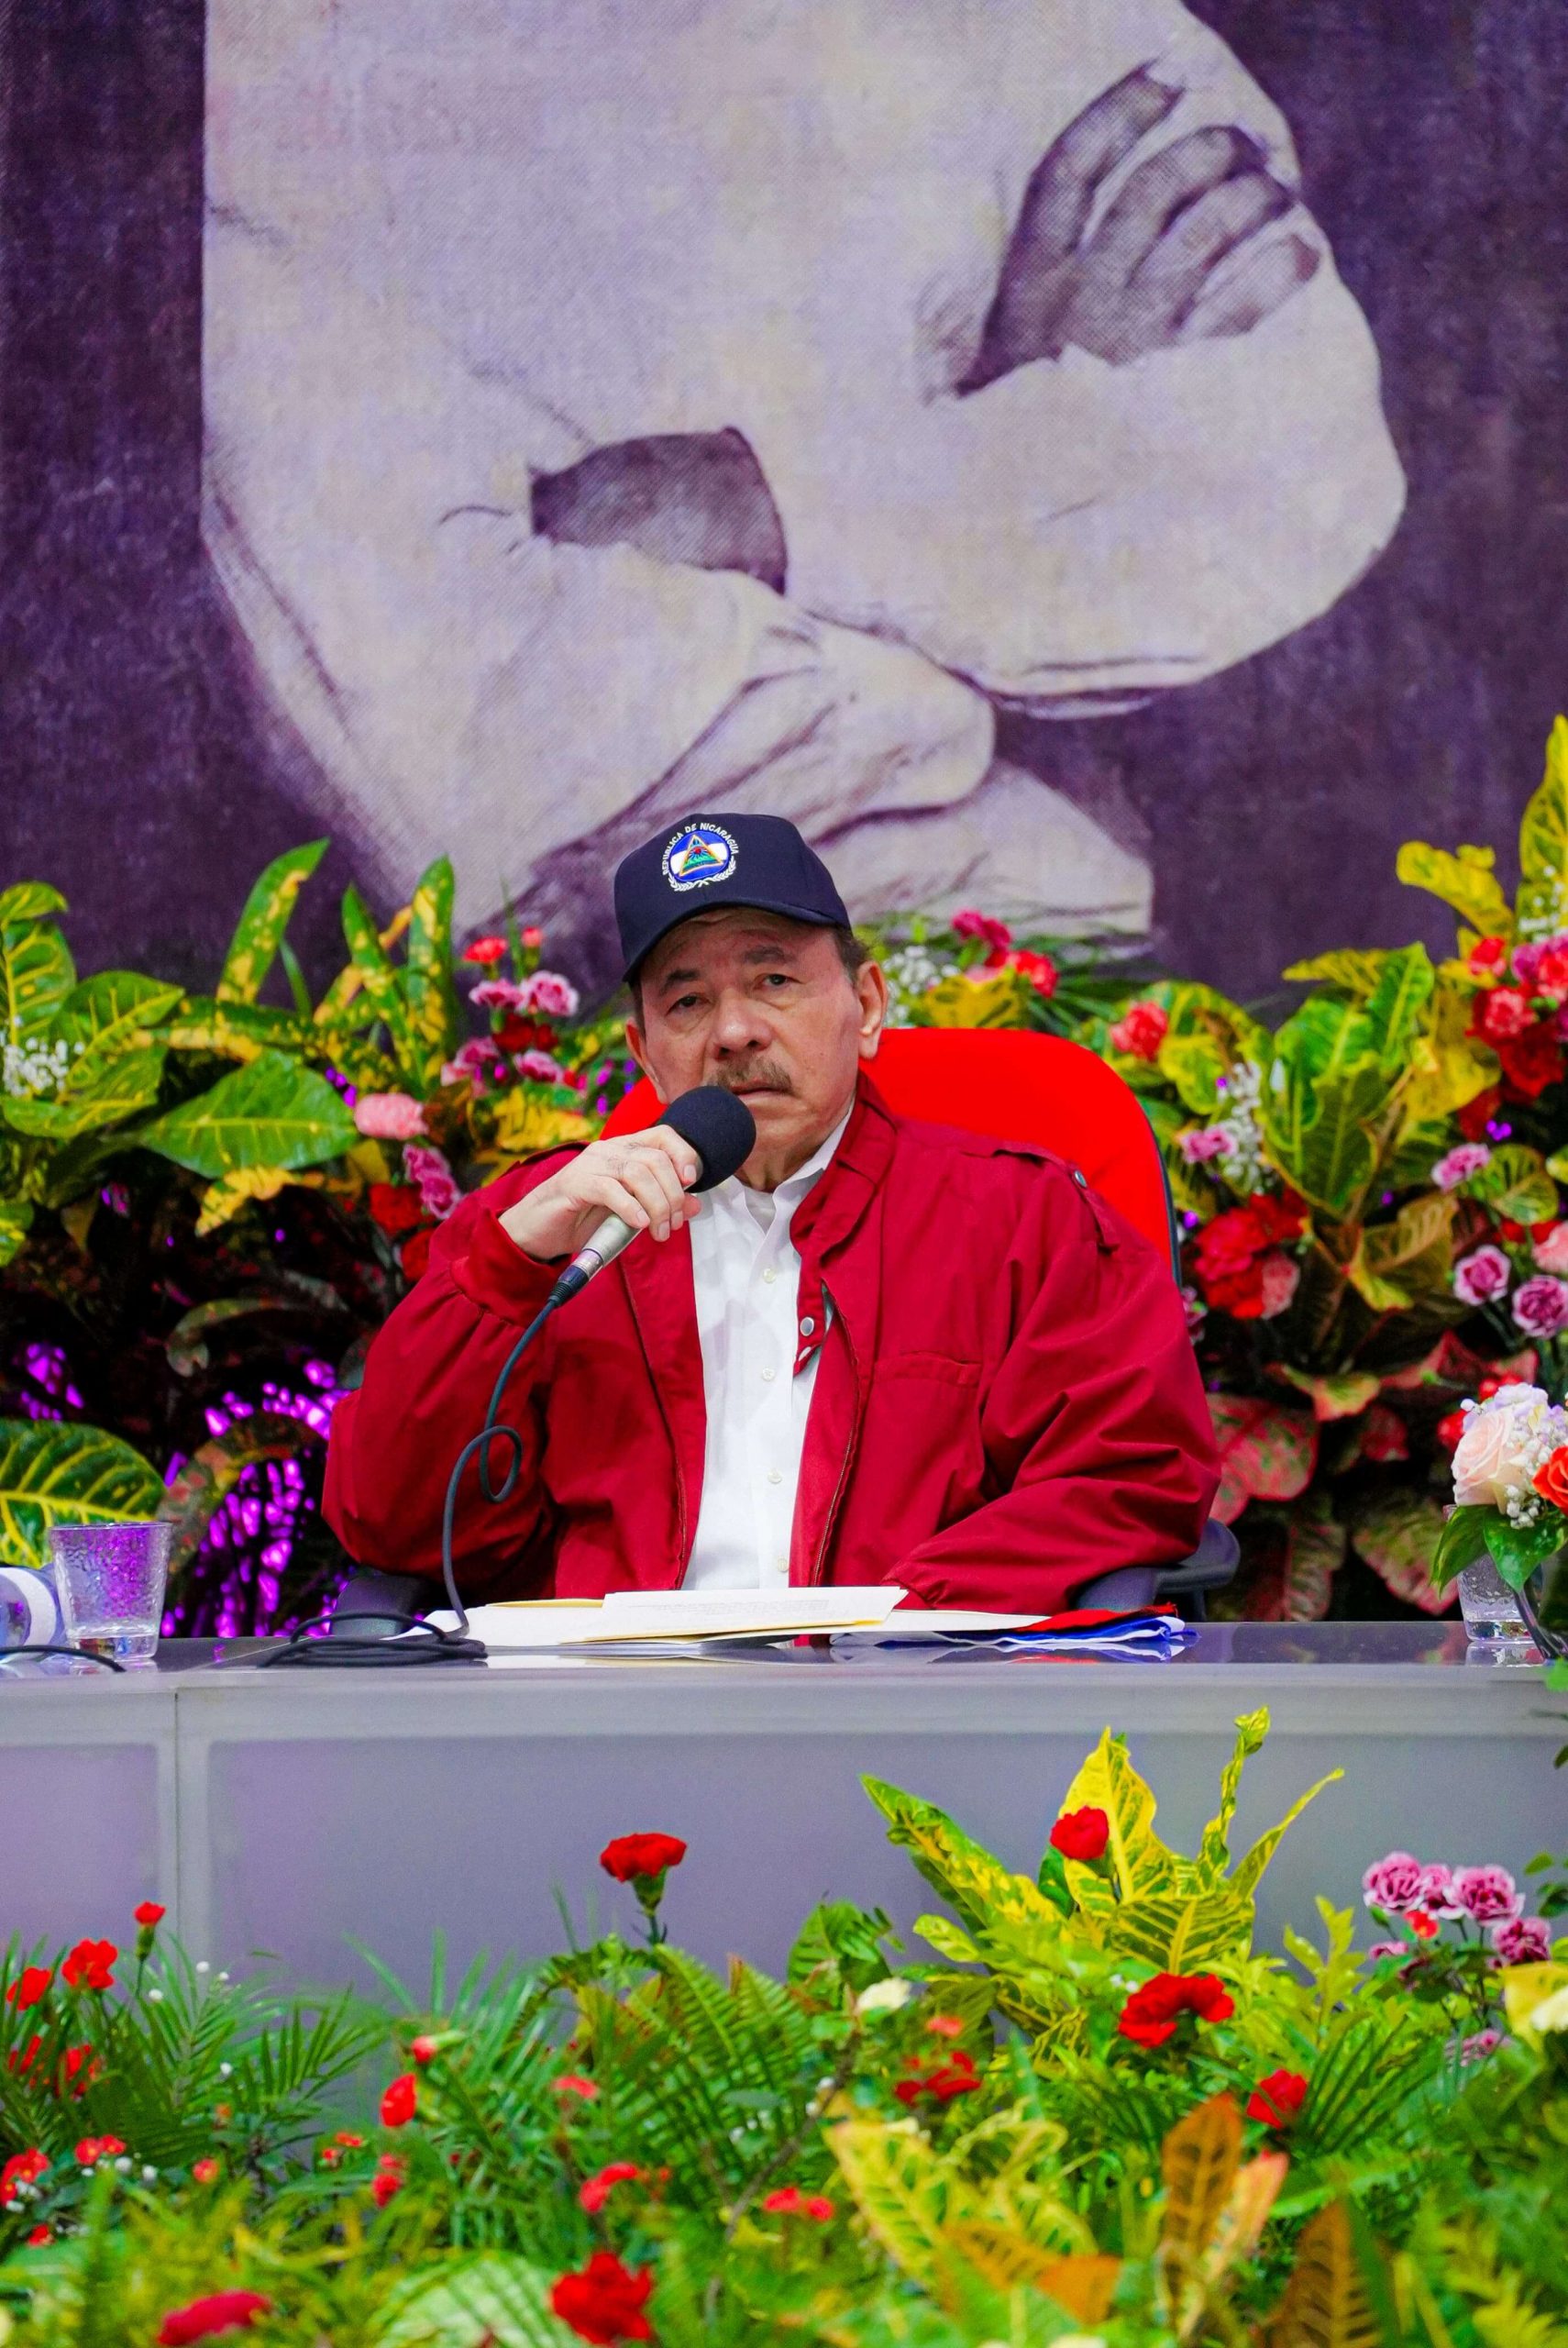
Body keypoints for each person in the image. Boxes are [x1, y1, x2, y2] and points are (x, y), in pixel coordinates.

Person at [204, 0, 1405, 991]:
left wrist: (765, 509)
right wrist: (1015, 529)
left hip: (1062, 1018)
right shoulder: (271, 71)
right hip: (578, 1120)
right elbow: (480, 810)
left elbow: (1299, 466)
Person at [323, 813, 1220, 1609]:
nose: (735, 1030)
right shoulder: (556, 1236)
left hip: (908, 1732)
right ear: (644, 1051)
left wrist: (887, 1624)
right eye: (688, 1000)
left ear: (865, 1008)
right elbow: (393, 1526)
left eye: (775, 981)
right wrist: (503, 1269)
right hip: (610, 1738)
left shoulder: (1021, 1219)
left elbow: (1132, 1468)